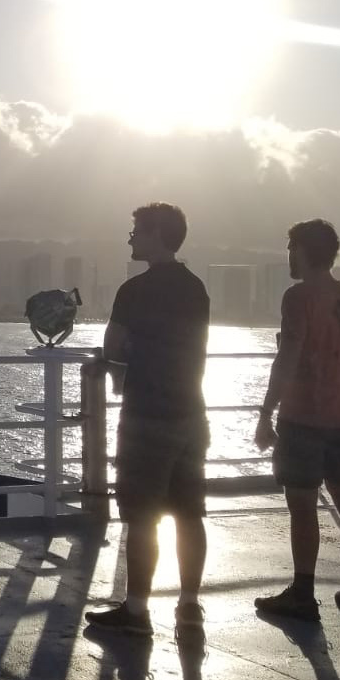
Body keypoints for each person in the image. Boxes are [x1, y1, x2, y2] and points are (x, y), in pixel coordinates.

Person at [85, 202, 210, 640]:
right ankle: (190, 605)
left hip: (146, 416)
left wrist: (128, 353)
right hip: (192, 414)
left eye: (137, 230)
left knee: (142, 516)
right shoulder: (196, 287)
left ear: (157, 233)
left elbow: (113, 347)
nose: (131, 238)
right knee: (190, 513)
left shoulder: (134, 290)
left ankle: (136, 609)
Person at [252, 219, 340, 620]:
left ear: (302, 250)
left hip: (305, 417)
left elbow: (288, 357)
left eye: (291, 248)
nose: (288, 255)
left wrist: (265, 412)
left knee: (303, 504)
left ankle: (303, 593)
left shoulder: (299, 296)